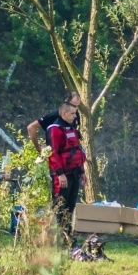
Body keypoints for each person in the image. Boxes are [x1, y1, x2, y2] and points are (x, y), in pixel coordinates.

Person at [47, 102, 86, 243]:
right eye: (72, 113)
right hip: (62, 175)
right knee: (60, 206)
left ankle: (67, 237)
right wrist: (60, 174)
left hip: (75, 173)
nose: (75, 116)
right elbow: (52, 154)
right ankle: (58, 238)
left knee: (70, 206)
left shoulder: (72, 129)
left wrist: (82, 172)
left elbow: (77, 151)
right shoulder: (54, 130)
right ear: (63, 113)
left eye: (75, 113)